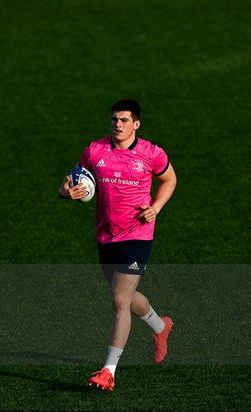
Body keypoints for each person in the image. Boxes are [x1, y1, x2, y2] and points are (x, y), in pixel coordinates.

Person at [58, 99, 177, 391]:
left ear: (136, 124)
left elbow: (170, 179)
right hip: (106, 235)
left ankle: (108, 371)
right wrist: (66, 191)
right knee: (124, 293)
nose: (118, 125)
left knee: (120, 301)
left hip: (137, 234)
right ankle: (161, 327)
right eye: (114, 120)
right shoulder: (95, 150)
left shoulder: (151, 153)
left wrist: (156, 208)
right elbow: (71, 179)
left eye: (124, 120)